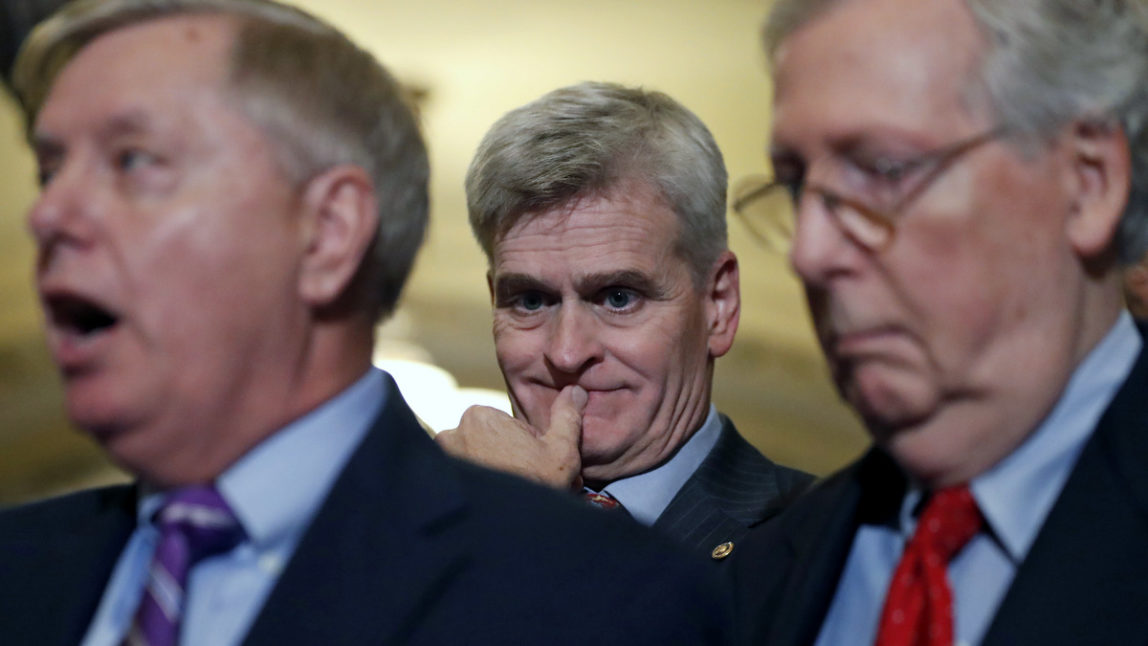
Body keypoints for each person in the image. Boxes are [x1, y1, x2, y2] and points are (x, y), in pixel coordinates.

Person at [0, 2, 733, 645]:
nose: (50, 214)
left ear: (326, 233)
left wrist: (513, 558)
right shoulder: (17, 572)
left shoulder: (610, 594)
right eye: (50, 170)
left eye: (132, 161)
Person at [729, 0, 1148, 644]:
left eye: (883, 170)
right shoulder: (763, 574)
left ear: (1088, 181)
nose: (806, 253)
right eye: (793, 187)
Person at [436, 81, 813, 560]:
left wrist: (521, 534)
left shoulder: (822, 544)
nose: (567, 353)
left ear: (718, 305)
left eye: (617, 297)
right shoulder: (403, 535)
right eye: (531, 300)